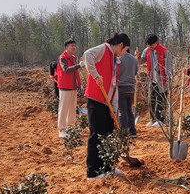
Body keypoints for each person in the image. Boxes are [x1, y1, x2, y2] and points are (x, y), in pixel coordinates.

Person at [82, 33, 131, 179]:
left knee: (108, 134)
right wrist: (95, 74)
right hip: (96, 98)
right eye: (124, 50)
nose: (123, 54)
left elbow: (114, 86)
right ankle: (93, 171)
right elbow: (87, 55)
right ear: (121, 45)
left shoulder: (116, 60)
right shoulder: (104, 49)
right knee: (96, 135)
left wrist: (114, 108)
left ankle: (108, 166)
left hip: (107, 102)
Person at [139, 34, 173, 127]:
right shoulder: (147, 51)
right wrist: (137, 57)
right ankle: (153, 119)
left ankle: (160, 120)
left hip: (162, 80)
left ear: (155, 43)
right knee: (152, 100)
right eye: (148, 45)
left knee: (161, 99)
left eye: (150, 45)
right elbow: (141, 61)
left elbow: (169, 66)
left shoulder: (165, 52)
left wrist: (168, 79)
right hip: (151, 79)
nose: (149, 47)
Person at [55, 39, 81, 138]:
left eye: (74, 46)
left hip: (73, 87)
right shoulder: (62, 58)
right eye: (71, 46)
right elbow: (66, 70)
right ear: (66, 47)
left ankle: (70, 127)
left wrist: (79, 84)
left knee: (72, 108)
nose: (74, 47)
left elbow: (75, 73)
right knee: (64, 108)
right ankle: (62, 129)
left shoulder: (73, 57)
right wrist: (79, 65)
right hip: (65, 87)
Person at [116, 45, 139, 138]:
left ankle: (124, 132)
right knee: (129, 109)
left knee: (122, 110)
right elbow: (136, 72)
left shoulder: (118, 59)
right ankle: (132, 131)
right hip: (131, 88)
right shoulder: (134, 59)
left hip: (121, 87)